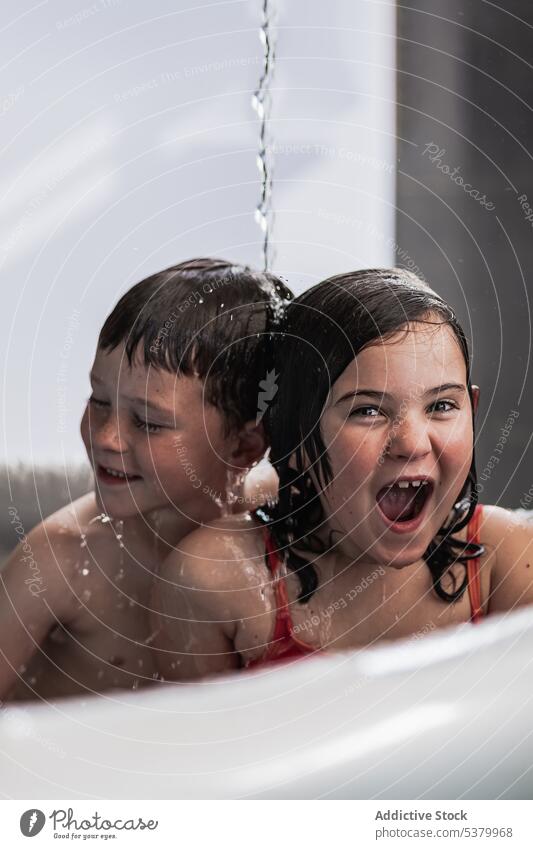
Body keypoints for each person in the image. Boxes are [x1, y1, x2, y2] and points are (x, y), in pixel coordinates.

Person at [151, 268, 533, 679]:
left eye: (441, 406)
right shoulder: (218, 583)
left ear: (472, 411)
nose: (413, 443)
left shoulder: (508, 563)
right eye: (367, 411)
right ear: (292, 439)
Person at [0, 258, 289, 699]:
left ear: (245, 447)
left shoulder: (284, 512)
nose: (108, 437)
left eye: (149, 422)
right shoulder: (60, 561)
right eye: (98, 401)